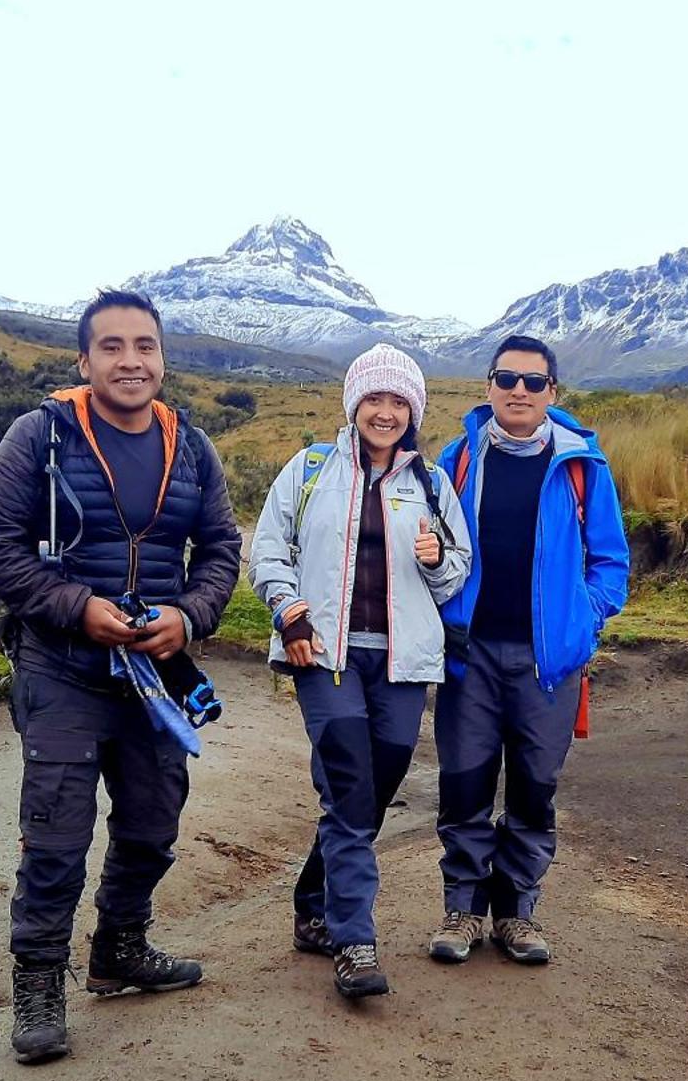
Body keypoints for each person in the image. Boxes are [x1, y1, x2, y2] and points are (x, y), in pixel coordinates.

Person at [0, 288, 242, 1064]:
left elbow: (221, 550)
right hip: (60, 665)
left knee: (154, 826)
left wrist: (188, 616)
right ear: (83, 360)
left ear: (163, 356)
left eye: (145, 346)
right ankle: (38, 982)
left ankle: (120, 947)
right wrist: (76, 606)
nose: (131, 361)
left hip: (154, 676)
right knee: (56, 836)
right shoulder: (39, 436)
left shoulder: (191, 446)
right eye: (113, 346)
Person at [249, 344, 472, 999]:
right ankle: (354, 940)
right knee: (350, 789)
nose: (386, 411)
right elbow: (266, 546)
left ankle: (313, 905)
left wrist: (436, 558)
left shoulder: (429, 483)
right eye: (375, 398)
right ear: (354, 405)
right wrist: (290, 610)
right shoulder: (311, 468)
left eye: (398, 401)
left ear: (413, 411)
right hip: (324, 655)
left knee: (371, 795)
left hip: (403, 664)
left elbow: (457, 570)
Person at [429, 333, 630, 966]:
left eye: (533, 382)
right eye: (507, 379)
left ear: (552, 393)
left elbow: (611, 562)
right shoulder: (456, 461)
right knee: (464, 784)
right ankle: (462, 910)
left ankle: (516, 913)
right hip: (471, 655)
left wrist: (582, 619)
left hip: (548, 664)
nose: (519, 391)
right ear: (488, 387)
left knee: (534, 788)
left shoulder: (581, 467)